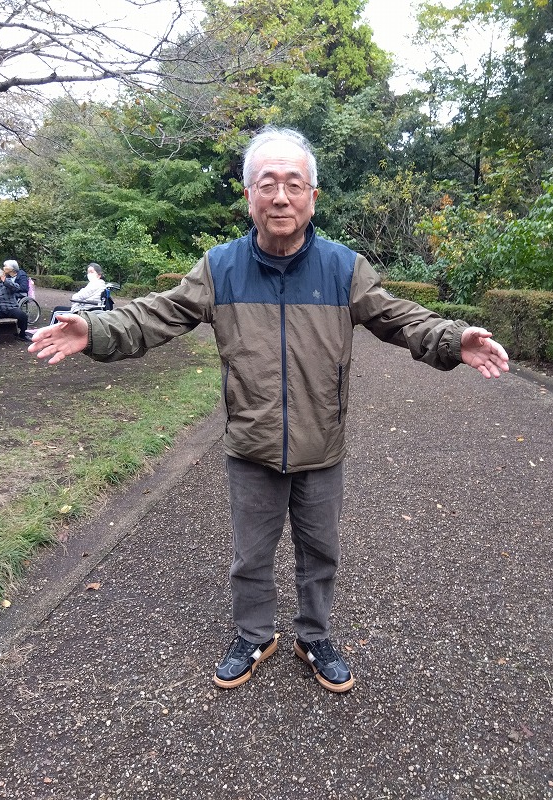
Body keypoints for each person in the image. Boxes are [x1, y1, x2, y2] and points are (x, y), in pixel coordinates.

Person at [28, 126, 509, 693]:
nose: (281, 197)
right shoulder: (220, 267)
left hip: (321, 445)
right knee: (251, 556)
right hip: (251, 445)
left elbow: (399, 317)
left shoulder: (343, 268)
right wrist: (96, 329)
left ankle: (314, 635)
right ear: (249, 195)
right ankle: (254, 635)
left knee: (320, 553)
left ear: (313, 197)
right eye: (267, 184)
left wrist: (453, 339)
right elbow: (156, 314)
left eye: (294, 184)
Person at [0, 264, 32, 343]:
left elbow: (17, 288)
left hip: (10, 307)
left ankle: (22, 334)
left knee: (22, 316)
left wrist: (5, 281)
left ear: (0, 274)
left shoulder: (7, 281)